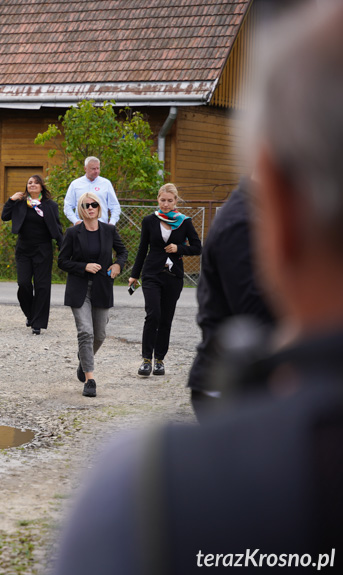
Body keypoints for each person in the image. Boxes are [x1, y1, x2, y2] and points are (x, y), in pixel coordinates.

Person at [49, 4, 343, 572]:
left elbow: (194, 258)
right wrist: (133, 269)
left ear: (278, 212)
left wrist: (171, 254)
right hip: (151, 293)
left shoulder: (153, 497)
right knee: (149, 320)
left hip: (180, 302)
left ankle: (149, 358)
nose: (165, 205)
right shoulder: (135, 221)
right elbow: (130, 253)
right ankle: (150, 361)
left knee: (143, 324)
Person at [187, 177, 275, 421]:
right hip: (230, 390)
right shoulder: (243, 222)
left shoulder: (262, 211)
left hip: (251, 385)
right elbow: (255, 315)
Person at [57, 192, 127, 397]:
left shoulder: (109, 230)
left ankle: (83, 359)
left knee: (100, 335)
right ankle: (90, 380)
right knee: (85, 332)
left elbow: (122, 252)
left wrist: (117, 265)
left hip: (102, 287)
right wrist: (83, 266)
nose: (90, 208)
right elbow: (62, 261)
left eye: (94, 204)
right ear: (81, 208)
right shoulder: (72, 232)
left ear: (99, 208)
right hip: (79, 288)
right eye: (86, 205)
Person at [128, 183, 202, 377]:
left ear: (176, 201)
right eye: (163, 200)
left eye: (170, 201)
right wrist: (134, 274)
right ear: (158, 200)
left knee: (166, 319)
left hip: (174, 277)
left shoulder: (184, 221)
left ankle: (159, 360)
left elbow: (197, 247)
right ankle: (146, 360)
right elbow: (142, 249)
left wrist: (179, 248)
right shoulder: (149, 220)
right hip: (151, 274)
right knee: (153, 314)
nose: (166, 204)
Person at [1, 174, 64, 335]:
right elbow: (5, 216)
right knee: (23, 284)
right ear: (26, 186)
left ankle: (38, 322)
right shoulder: (21, 203)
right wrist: (11, 200)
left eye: (36, 183)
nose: (33, 185)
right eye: (30, 182)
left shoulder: (50, 205)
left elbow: (56, 227)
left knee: (42, 286)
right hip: (24, 249)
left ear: (42, 186)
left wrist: (62, 246)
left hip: (43, 249)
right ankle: (30, 314)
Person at [63, 156, 121, 226]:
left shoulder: (106, 183)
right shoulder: (75, 184)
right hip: (82, 227)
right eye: (93, 169)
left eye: (98, 168)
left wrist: (112, 222)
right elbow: (67, 206)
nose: (96, 171)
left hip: (101, 226)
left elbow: (115, 206)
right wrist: (76, 221)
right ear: (85, 168)